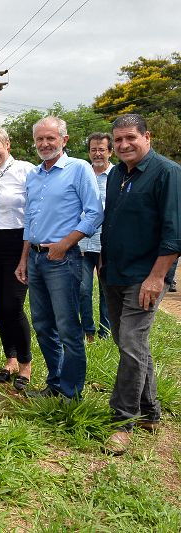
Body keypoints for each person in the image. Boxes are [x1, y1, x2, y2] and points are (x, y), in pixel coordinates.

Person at [100, 114, 181, 455]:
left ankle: (123, 422)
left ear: (147, 137)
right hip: (114, 272)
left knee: (132, 341)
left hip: (145, 276)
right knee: (127, 341)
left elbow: (175, 233)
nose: (123, 145)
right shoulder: (117, 173)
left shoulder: (167, 173)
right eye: (117, 140)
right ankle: (150, 411)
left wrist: (156, 276)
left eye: (130, 138)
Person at [15, 116, 103, 402]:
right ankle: (54, 383)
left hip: (63, 260)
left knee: (68, 328)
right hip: (36, 259)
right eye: (39, 139)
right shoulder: (34, 175)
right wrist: (24, 259)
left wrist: (64, 245)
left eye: (50, 138)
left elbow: (94, 213)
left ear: (64, 140)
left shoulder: (79, 169)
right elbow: (30, 221)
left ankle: (71, 393)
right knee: (42, 325)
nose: (44, 144)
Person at [0, 128, 35, 390]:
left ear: (7, 145)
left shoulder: (25, 170)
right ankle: (10, 359)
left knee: (13, 305)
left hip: (17, 245)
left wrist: (26, 253)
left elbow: (34, 211)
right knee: (1, 305)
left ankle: (26, 364)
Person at [78, 132, 113, 342]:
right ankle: (88, 331)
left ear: (110, 151)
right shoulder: (83, 174)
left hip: (106, 244)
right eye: (93, 150)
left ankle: (106, 333)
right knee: (83, 290)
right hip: (81, 243)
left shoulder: (118, 175)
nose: (97, 153)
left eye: (101, 149)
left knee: (106, 291)